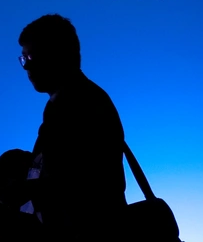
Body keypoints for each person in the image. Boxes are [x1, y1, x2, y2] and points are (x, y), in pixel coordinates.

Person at [17, 14, 127, 240]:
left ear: (57, 54)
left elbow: (73, 187)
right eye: (23, 57)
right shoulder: (75, 100)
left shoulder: (77, 104)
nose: (26, 65)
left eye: (31, 55)